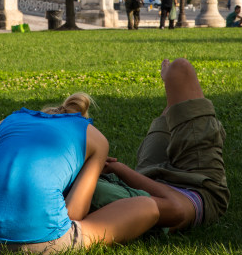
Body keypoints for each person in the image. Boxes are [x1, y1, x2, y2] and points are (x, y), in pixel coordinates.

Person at [0, 93, 159, 255]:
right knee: (147, 206)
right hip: (44, 241)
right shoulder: (95, 138)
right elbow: (74, 213)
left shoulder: (2, 124)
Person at [90, 58, 230, 231]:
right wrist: (117, 168)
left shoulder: (62, 191)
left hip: (147, 176)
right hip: (197, 187)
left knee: (174, 103)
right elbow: (174, 206)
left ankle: (174, 104)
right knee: (180, 70)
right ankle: (174, 96)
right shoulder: (89, 204)